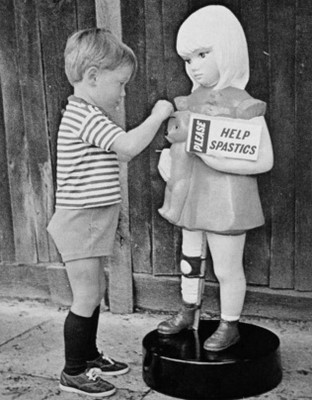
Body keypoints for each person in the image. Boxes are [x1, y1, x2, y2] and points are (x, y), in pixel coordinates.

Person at [47, 28, 173, 397]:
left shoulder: (87, 113)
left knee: (95, 289)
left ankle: (89, 357)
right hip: (81, 221)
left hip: (90, 220)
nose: (122, 93)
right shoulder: (87, 116)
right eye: (120, 84)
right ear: (92, 77)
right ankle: (73, 372)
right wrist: (158, 114)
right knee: (86, 296)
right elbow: (128, 147)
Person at [157, 6, 274, 352]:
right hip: (191, 195)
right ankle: (188, 308)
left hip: (227, 200)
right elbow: (179, 144)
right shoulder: (190, 102)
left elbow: (263, 158)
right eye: (189, 58)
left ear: (227, 51)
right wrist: (168, 161)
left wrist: (213, 157)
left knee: (226, 266)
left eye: (202, 54)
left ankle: (229, 323)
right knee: (189, 258)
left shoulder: (245, 106)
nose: (194, 66)